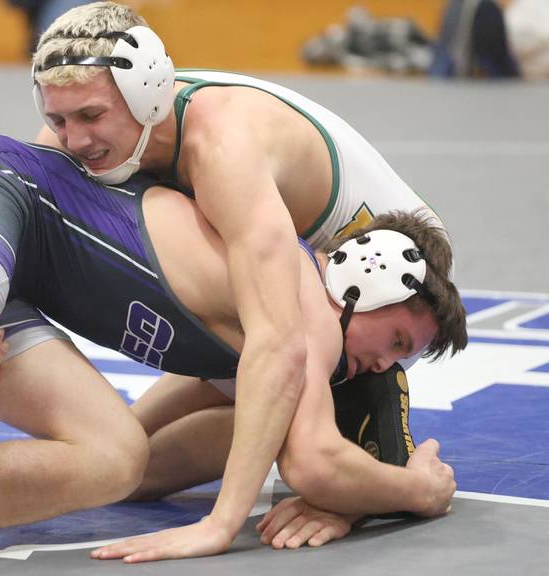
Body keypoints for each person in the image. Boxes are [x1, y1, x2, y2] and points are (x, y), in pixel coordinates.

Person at [0, 130, 465, 576]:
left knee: (113, 458)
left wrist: (345, 500)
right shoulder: (295, 295)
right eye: (397, 341)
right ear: (366, 279)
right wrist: (421, 491)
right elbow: (314, 458)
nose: (385, 366)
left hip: (15, 277)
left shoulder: (260, 339)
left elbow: (155, 459)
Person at [29, 0, 456, 546]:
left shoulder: (225, 153)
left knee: (299, 387)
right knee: (124, 462)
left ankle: (346, 472)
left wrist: (358, 501)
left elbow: (290, 366)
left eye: (88, 118)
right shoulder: (102, 107)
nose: (75, 139)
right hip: (315, 263)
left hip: (333, 269)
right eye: (60, 120)